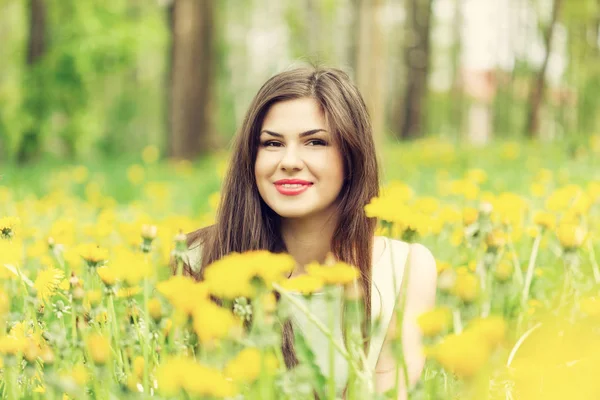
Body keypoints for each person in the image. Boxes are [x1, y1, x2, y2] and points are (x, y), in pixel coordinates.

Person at [182, 66, 437, 399]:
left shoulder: (404, 268)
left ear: (352, 156)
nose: (289, 161)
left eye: (315, 142)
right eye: (272, 143)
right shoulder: (195, 260)